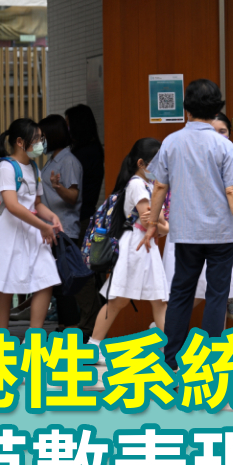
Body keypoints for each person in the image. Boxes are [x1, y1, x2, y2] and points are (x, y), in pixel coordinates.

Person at [140, 79, 233, 369]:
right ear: (216, 109)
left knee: (181, 293)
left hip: (186, 232)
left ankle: (171, 360)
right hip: (221, 233)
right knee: (217, 295)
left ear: (186, 109)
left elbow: (159, 186)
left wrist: (152, 225)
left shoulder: (171, 142)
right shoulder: (223, 145)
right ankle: (209, 363)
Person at [0, 119, 63, 330]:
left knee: (46, 280)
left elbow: (36, 204)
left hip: (31, 231)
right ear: (20, 142)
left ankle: (34, 338)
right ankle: (1, 341)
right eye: (37, 139)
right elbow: (12, 206)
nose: (41, 143)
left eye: (41, 138)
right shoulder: (6, 167)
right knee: (5, 287)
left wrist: (51, 217)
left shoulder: (34, 168)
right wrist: (42, 226)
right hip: (7, 233)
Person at [160, 112, 233, 324]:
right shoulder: (187, 156)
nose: (216, 136)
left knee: (217, 294)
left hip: (219, 234)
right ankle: (166, 328)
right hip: (189, 235)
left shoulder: (227, 157)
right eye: (213, 131)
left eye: (223, 131)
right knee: (196, 292)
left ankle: (176, 333)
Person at [87, 138, 169, 359]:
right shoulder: (137, 185)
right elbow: (150, 222)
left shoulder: (150, 185)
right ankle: (93, 346)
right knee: (118, 300)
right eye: (157, 162)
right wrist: (164, 225)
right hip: (136, 248)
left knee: (159, 299)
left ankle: (169, 348)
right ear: (141, 163)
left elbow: (157, 221)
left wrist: (161, 223)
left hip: (145, 247)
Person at [40, 113, 84, 327]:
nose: (40, 141)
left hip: (63, 230)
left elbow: (73, 196)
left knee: (64, 284)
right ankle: (65, 328)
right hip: (53, 230)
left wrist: (58, 187)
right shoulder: (54, 160)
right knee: (58, 284)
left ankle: (70, 330)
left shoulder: (68, 161)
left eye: (42, 136)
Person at [65, 104, 105, 235]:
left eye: (67, 125)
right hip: (84, 215)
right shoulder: (92, 149)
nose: (65, 129)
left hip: (80, 218)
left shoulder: (84, 154)